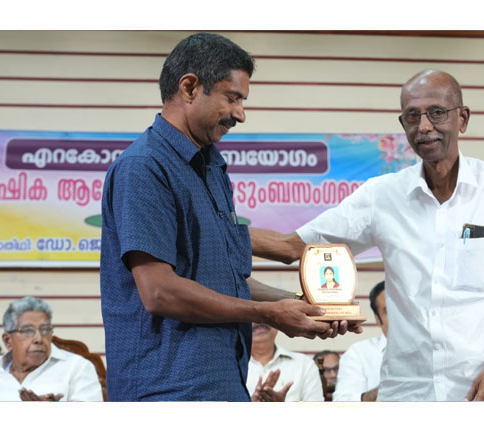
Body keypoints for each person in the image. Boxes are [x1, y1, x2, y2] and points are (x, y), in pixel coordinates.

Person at [249, 69, 484, 401]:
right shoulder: (381, 195)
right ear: (402, 125)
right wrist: (210, 229)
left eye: (437, 112)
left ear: (462, 119)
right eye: (412, 116)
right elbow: (292, 247)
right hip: (407, 393)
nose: (425, 126)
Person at [99, 33, 359, 402]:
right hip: (167, 390)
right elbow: (160, 291)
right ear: (189, 87)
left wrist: (301, 306)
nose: (240, 113)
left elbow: (222, 278)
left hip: (220, 382)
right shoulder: (144, 168)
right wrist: (270, 314)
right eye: (232, 97)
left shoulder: (210, 168)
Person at [0, 296, 103, 401]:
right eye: (28, 331)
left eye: (45, 329)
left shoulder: (77, 368)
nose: (39, 339)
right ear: (8, 340)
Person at [333, 281, 388, 401]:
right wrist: (388, 389)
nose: (397, 315)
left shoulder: (432, 348)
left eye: (401, 308)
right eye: (387, 311)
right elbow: (342, 402)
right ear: (377, 319)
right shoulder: (358, 353)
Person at [247, 323, 324, 402]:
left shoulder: (305, 364)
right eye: (252, 316)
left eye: (264, 315)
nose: (258, 322)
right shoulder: (234, 367)